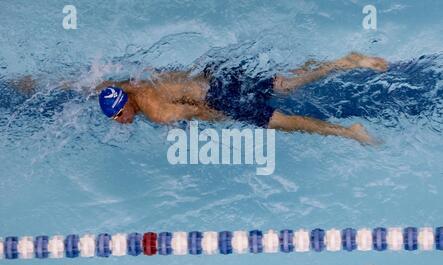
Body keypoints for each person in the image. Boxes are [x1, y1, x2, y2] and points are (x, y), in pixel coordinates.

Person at [96, 53, 387, 144]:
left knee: (282, 122)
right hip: (216, 76)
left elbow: (198, 112)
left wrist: (225, 115)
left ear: (124, 105)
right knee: (286, 85)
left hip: (220, 97)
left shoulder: (158, 112)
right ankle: (343, 62)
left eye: (119, 115)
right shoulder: (131, 86)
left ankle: (350, 132)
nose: (120, 122)